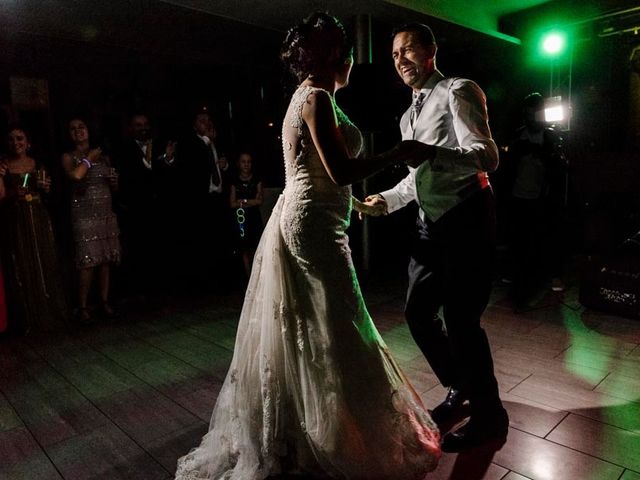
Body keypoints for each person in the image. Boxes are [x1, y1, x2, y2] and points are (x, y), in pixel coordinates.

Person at [175, 13, 440, 480]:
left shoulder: (306, 95)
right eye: (350, 53)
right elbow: (337, 171)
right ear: (338, 56)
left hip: (312, 217)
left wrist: (356, 202)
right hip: (313, 225)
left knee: (312, 322)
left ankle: (298, 428)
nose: (355, 61)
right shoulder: (316, 97)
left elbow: (319, 173)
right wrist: (399, 154)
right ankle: (333, 435)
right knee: (336, 321)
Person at [360, 23, 508, 452]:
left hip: (467, 215)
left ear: (430, 51)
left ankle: (490, 419)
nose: (401, 60)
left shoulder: (458, 90)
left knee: (462, 321)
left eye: (408, 50)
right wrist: (384, 201)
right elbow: (414, 180)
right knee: (416, 313)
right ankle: (461, 386)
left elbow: (488, 155)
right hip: (429, 225)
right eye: (394, 55)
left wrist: (433, 153)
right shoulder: (408, 115)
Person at [0, 126, 68, 333]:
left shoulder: (37, 164)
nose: (16, 143)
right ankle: (27, 318)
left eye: (20, 138)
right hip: (16, 219)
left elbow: (49, 191)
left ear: (28, 142)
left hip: (38, 216)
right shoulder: (3, 166)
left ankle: (50, 313)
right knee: (22, 263)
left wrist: (46, 187)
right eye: (11, 139)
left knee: (44, 260)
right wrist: (13, 193)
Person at [504, 92, 568, 304]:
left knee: (544, 237)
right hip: (518, 196)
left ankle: (547, 276)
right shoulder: (517, 136)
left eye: (535, 114)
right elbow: (505, 166)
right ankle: (518, 276)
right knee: (519, 238)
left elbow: (561, 169)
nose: (531, 119)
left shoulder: (551, 137)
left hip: (543, 198)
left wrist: (544, 154)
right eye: (528, 114)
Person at [62, 118, 121, 322]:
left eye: (82, 127)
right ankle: (82, 305)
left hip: (104, 210)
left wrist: (114, 183)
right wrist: (88, 159)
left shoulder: (103, 157)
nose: (78, 131)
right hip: (83, 212)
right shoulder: (69, 157)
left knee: (104, 258)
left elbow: (112, 185)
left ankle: (104, 301)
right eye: (73, 128)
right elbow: (76, 177)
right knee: (87, 260)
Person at [116, 113, 176, 297]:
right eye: (138, 124)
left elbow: (165, 176)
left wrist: (166, 159)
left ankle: (161, 290)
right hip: (136, 209)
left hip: (158, 208)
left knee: (159, 250)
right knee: (138, 252)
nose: (143, 128)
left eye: (145, 124)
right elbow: (130, 177)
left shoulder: (158, 145)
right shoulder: (124, 150)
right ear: (130, 128)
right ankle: (141, 293)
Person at [174, 110, 230, 291]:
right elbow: (194, 167)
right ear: (195, 125)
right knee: (202, 242)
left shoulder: (217, 141)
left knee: (219, 240)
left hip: (218, 198)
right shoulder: (191, 144)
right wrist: (208, 141)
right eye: (202, 120)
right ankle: (202, 284)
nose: (207, 123)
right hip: (200, 201)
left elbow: (224, 163)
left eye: (209, 119)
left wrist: (225, 165)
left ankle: (220, 280)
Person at [229, 150, 264, 278]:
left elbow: (259, 201)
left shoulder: (257, 179)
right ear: (239, 163)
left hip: (254, 217)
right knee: (244, 249)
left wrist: (242, 201)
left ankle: (257, 277)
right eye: (243, 162)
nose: (246, 164)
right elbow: (232, 203)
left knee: (256, 248)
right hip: (241, 218)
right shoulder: (234, 181)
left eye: (249, 162)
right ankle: (248, 277)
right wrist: (250, 202)